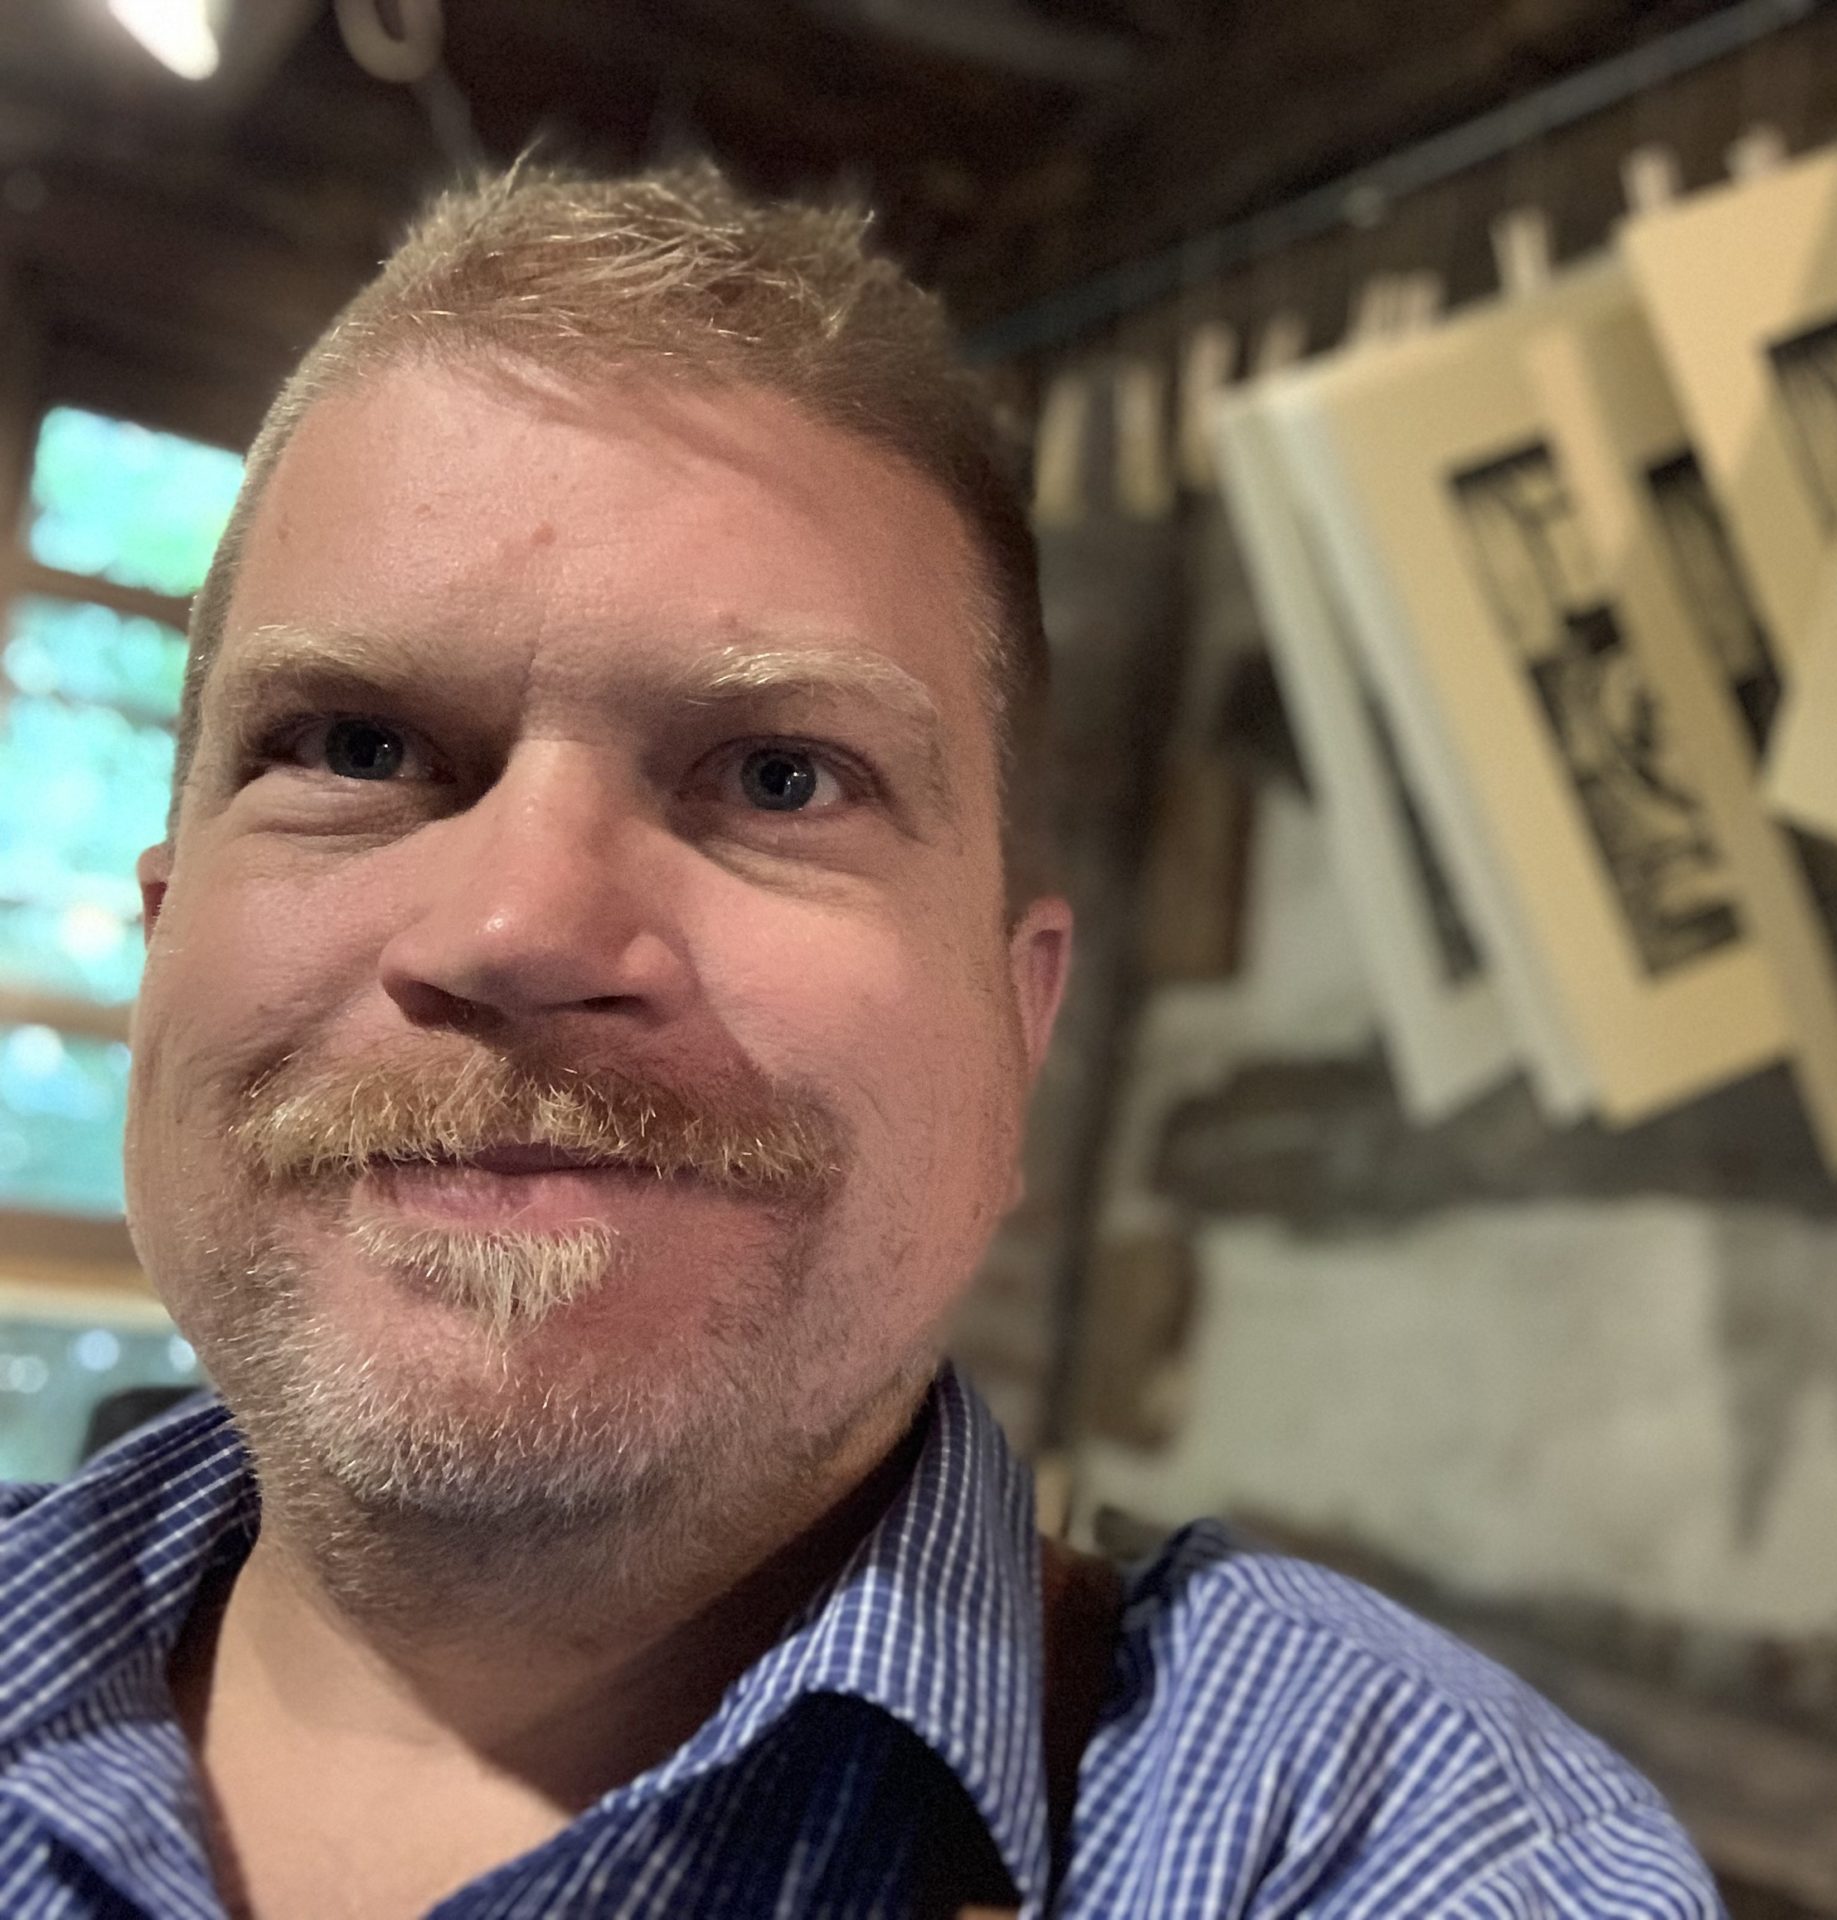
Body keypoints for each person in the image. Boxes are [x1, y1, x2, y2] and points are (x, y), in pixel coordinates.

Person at [0, 161, 1723, 1918]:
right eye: (358, 748)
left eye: (778, 776)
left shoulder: (1407, 1854)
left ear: (1015, 1029)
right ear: (162, 941)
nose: (519, 933)